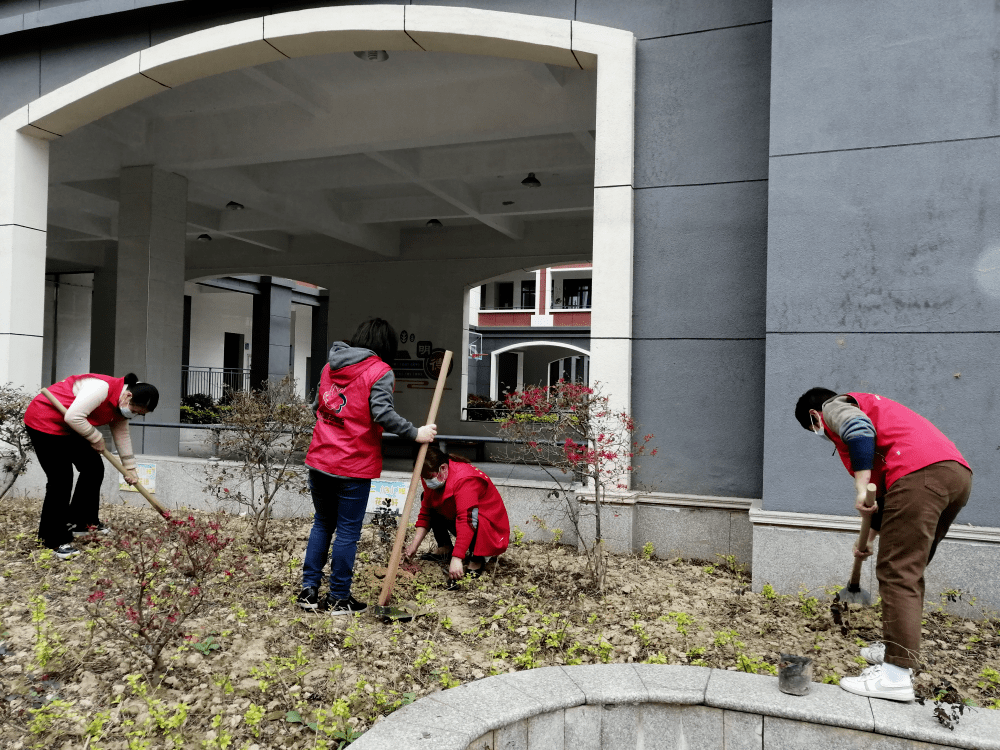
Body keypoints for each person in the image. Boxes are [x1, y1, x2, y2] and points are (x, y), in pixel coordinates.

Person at [794, 388, 972, 702]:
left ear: (814, 418)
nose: (822, 434)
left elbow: (858, 433)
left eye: (815, 430)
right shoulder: (883, 421)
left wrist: (861, 487)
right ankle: (896, 648)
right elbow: (887, 497)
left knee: (898, 573)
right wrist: (870, 539)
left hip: (921, 473)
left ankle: (895, 677)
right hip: (953, 475)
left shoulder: (834, 406)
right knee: (909, 570)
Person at [298, 318, 437, 615]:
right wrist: (416, 433)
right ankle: (338, 598)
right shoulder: (380, 371)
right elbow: (382, 413)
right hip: (353, 464)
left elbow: (316, 408)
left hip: (320, 459)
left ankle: (308, 592)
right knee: (347, 531)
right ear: (386, 346)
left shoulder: (329, 366)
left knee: (322, 523)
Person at [23, 372, 158, 559]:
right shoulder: (100, 388)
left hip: (71, 426)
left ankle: (81, 522)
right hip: (45, 422)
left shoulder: (121, 405)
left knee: (93, 468)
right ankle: (52, 540)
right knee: (61, 480)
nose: (133, 414)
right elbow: (74, 416)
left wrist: (131, 469)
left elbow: (122, 434)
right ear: (128, 396)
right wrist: (96, 438)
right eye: (135, 411)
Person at [403, 444, 510, 588]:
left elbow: (467, 520)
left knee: (474, 518)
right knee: (428, 498)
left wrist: (457, 558)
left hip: (487, 526)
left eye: (429, 477)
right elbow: (426, 512)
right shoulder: (430, 475)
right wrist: (413, 546)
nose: (427, 481)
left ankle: (477, 558)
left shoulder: (465, 479)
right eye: (424, 478)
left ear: (443, 468)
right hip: (461, 515)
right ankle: (445, 547)